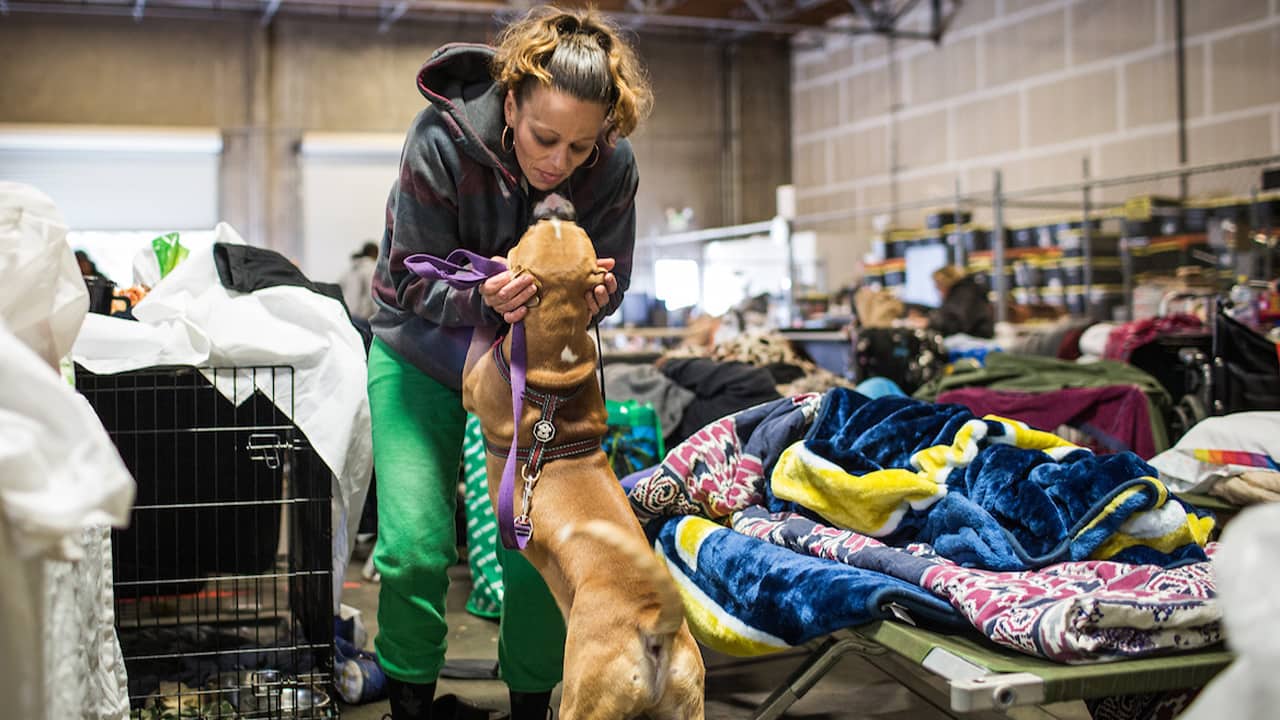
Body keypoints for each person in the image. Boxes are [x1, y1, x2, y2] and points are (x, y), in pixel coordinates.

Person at [365, 6, 652, 719]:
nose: (558, 162)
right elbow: (408, 278)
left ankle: (532, 705)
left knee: (541, 554)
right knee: (413, 548)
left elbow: (609, 290)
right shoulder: (440, 137)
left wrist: (597, 295)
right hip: (421, 350)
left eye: (580, 149)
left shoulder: (613, 167)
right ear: (512, 101)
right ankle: (409, 703)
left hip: (542, 369)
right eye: (544, 138)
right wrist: (484, 298)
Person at [928, 265, 994, 338]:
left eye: (937, 284)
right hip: (973, 335)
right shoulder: (962, 292)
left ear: (945, 282)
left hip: (976, 337)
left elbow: (956, 324)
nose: (936, 288)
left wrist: (929, 322)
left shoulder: (964, 293)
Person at [341, 241, 379, 322]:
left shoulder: (350, 271)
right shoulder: (371, 269)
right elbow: (373, 294)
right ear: (374, 253)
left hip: (346, 315)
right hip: (362, 318)